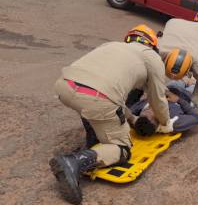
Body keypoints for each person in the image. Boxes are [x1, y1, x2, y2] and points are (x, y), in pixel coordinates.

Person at [49, 25, 187, 205]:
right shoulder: (152, 57)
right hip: (96, 99)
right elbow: (157, 99)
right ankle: (74, 162)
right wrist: (165, 122)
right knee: (122, 149)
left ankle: (94, 139)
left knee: (95, 106)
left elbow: (112, 95)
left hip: (64, 87)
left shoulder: (111, 46)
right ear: (152, 44)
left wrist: (132, 119)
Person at [159, 9, 198, 136]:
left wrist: (193, 105)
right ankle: (131, 100)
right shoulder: (159, 51)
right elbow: (146, 72)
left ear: (190, 67)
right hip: (175, 28)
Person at [130, 84, 198, 134]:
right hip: (186, 96)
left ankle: (186, 81)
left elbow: (128, 113)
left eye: (147, 109)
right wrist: (178, 100)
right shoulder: (175, 122)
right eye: (151, 110)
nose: (149, 107)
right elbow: (196, 117)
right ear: (157, 121)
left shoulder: (139, 113)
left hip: (168, 88)